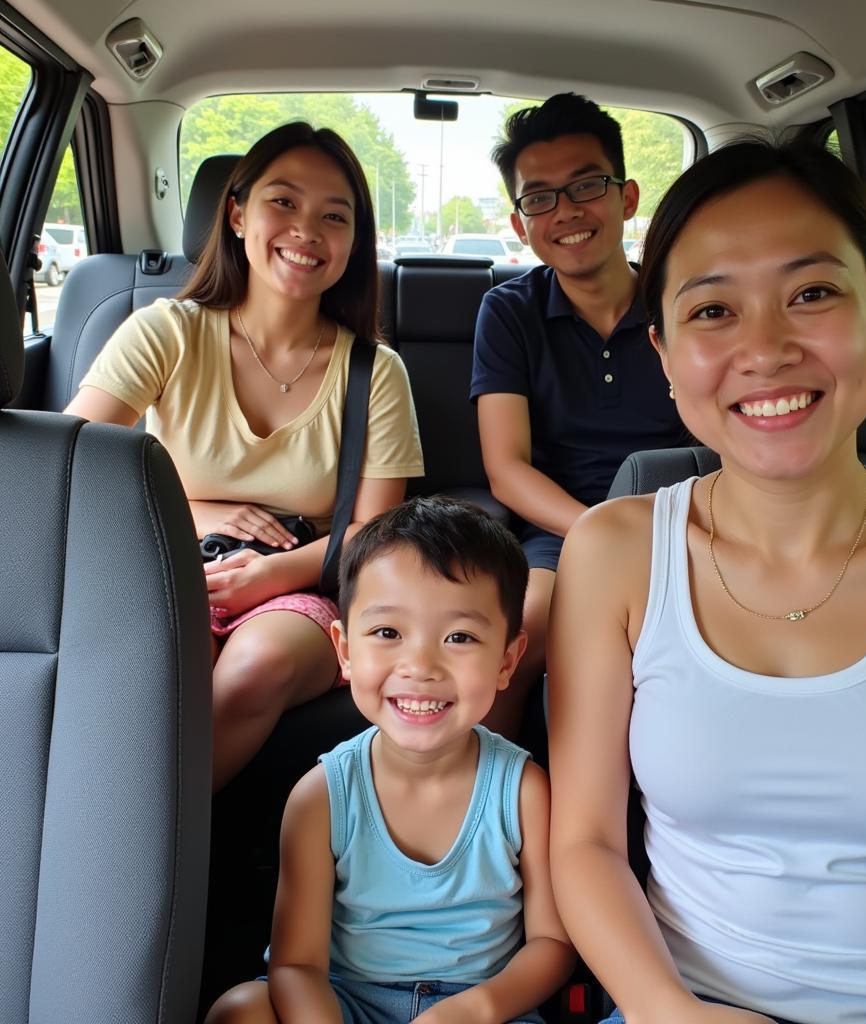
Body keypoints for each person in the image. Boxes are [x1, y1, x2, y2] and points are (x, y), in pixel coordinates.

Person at [547, 139, 866, 1024]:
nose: (764, 350)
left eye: (811, 294)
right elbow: (583, 843)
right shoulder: (615, 552)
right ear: (664, 351)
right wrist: (669, 1013)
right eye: (714, 310)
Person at [64, 122, 424, 789]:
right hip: (175, 568)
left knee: (253, 668)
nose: (306, 230)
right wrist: (196, 510)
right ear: (236, 213)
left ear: (354, 241)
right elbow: (66, 470)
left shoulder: (376, 372)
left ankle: (152, 849)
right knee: (160, 668)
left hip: (306, 585)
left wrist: (273, 574)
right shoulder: (167, 332)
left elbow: (375, 534)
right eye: (282, 202)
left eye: (333, 216)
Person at [204, 495, 576, 1024]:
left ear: (507, 660)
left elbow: (550, 943)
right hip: (346, 1001)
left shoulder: (521, 790)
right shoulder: (322, 795)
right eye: (387, 633)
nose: (420, 665)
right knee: (240, 1010)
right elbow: (296, 965)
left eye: (460, 637)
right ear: (345, 650)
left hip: (478, 1009)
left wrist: (477, 1009)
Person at [471, 92, 684, 736]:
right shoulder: (509, 312)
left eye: (586, 185)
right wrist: (602, 533)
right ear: (520, 223)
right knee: (519, 637)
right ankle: (499, 805)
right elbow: (506, 470)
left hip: (689, 517)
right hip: (564, 529)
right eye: (539, 197)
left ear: (626, 197)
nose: (565, 212)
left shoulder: (684, 303)